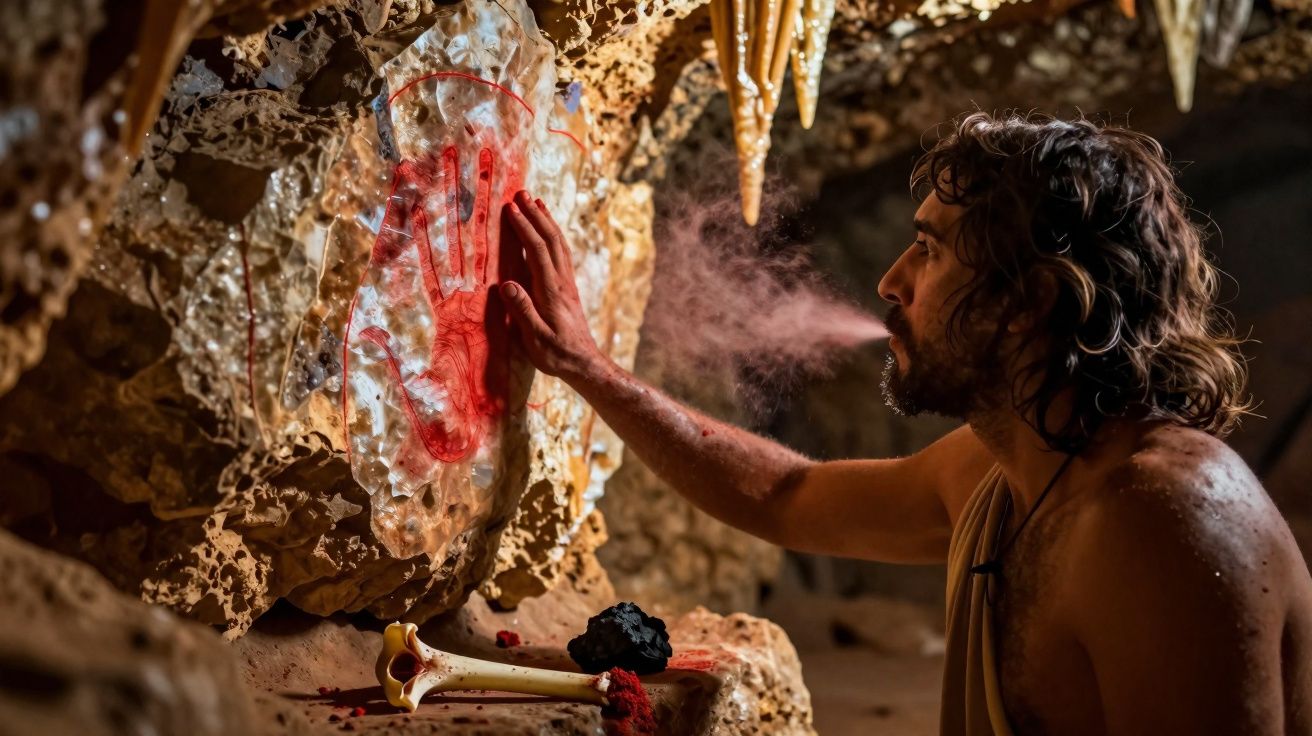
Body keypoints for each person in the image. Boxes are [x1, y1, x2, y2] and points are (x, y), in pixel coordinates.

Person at [497, 112, 1312, 735]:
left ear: (1026, 303)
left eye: (929, 250)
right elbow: (784, 494)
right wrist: (590, 371)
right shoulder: (1003, 470)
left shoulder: (1165, 524)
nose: (890, 281)